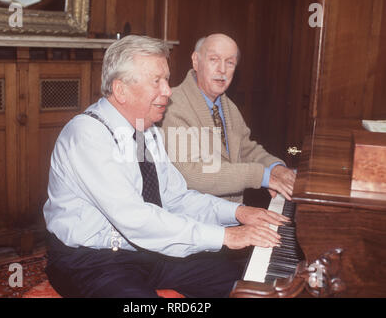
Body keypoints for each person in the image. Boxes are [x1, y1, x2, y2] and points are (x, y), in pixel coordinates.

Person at [43, 35, 288, 298]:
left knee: (239, 282)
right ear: (120, 90)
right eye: (156, 81)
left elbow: (176, 198)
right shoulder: (87, 135)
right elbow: (136, 219)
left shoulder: (146, 131)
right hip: (91, 261)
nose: (168, 91)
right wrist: (226, 237)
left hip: (145, 250)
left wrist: (238, 212)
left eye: (166, 80)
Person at [160, 33, 296, 204]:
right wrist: (261, 175)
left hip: (230, 214)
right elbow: (191, 173)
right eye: (214, 59)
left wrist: (275, 168)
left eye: (230, 62)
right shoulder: (173, 106)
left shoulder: (228, 106)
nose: (222, 70)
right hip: (194, 220)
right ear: (196, 61)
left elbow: (246, 150)